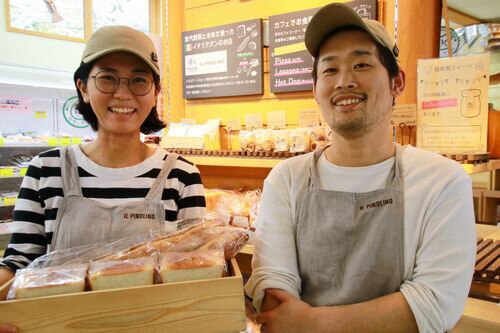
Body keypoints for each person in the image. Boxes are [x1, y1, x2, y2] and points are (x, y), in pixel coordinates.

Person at [245, 3, 475, 333]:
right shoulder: (286, 179)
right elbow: (274, 297)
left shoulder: (440, 181)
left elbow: (434, 305)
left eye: (362, 64)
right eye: (329, 70)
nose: (344, 81)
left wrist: (311, 322)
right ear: (315, 90)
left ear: (397, 83)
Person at [0, 26, 206, 330]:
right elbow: (20, 263)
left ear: (155, 92)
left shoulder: (182, 175)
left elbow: (191, 268)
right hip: (59, 325)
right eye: (108, 78)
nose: (123, 93)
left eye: (139, 80)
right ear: (83, 87)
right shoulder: (46, 170)